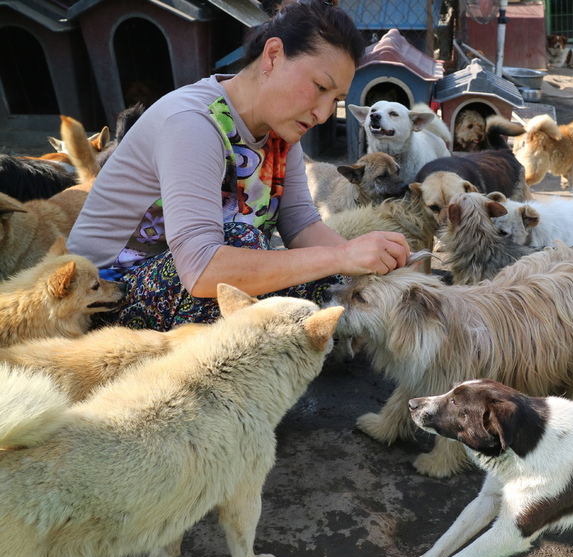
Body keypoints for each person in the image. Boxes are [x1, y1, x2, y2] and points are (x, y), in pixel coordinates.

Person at [67, 0, 410, 331]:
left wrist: (373, 266)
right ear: (273, 56)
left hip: (181, 283)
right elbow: (203, 269)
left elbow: (301, 225)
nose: (322, 114)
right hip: (101, 299)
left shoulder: (281, 131)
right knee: (247, 245)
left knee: (329, 281)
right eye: (320, 87)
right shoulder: (194, 123)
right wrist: (341, 257)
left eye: (334, 100)